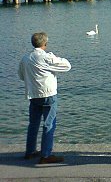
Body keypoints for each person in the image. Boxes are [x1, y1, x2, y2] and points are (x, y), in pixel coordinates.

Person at [18, 32, 71, 164]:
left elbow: (21, 75)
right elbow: (67, 66)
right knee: (49, 124)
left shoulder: (25, 58)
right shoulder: (46, 57)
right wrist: (53, 57)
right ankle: (46, 155)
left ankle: (30, 151)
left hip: (33, 95)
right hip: (48, 94)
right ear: (45, 43)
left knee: (33, 124)